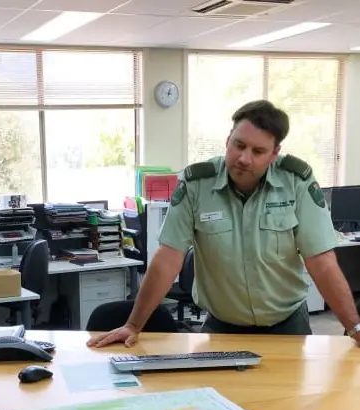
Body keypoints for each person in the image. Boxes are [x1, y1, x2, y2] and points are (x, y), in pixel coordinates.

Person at [89, 100, 360, 348]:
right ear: (228, 139)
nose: (244, 158)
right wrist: (134, 325)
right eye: (239, 145)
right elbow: (168, 258)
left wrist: (355, 327)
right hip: (222, 327)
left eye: (258, 151)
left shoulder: (296, 182)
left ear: (274, 154)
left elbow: (321, 262)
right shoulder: (197, 184)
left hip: (288, 326)